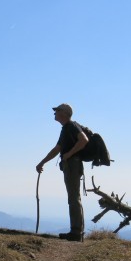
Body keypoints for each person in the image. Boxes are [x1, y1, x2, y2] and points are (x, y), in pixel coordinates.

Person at [36, 103, 89, 242]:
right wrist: (42, 162)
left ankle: (76, 233)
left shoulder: (71, 126)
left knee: (73, 198)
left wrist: (69, 154)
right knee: (73, 197)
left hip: (72, 164)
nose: (54, 113)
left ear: (64, 113)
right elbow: (57, 149)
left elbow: (84, 140)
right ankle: (76, 231)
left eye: (57, 111)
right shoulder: (66, 128)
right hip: (71, 164)